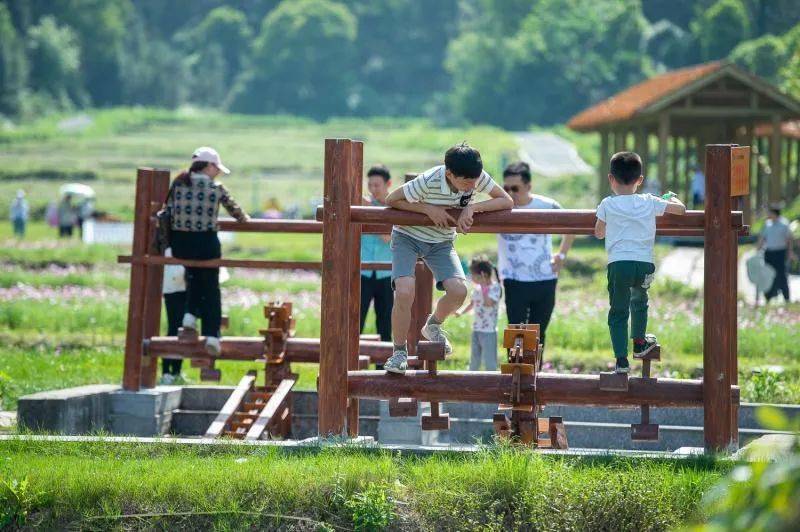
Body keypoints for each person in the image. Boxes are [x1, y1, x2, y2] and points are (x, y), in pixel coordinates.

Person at [383, 142, 513, 374]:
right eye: (465, 183)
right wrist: (427, 209)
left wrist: (472, 208)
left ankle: (433, 325)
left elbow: (505, 200)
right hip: (407, 236)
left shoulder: (475, 176)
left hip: (441, 241)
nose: (470, 187)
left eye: (474, 182)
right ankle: (399, 352)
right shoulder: (429, 179)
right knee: (404, 290)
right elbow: (392, 199)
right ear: (449, 174)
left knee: (459, 291)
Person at [594, 152, 686, 373]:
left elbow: (598, 233)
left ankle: (621, 361)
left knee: (618, 311)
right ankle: (640, 342)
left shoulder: (607, 203)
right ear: (640, 180)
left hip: (618, 264)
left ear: (610, 179)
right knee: (640, 300)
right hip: (644, 263)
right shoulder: (649, 201)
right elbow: (681, 210)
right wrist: (669, 198)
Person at [166, 147, 249, 356]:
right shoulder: (216, 187)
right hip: (206, 246)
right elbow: (239, 214)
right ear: (209, 166)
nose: (218, 172)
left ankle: (190, 316)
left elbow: (167, 211)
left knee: (194, 276)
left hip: (180, 246)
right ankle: (212, 335)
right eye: (217, 168)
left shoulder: (177, 184)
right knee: (211, 288)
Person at [497, 161, 574, 349]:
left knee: (538, 334)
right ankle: (516, 377)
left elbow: (571, 226)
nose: (510, 193)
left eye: (515, 188)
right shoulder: (498, 206)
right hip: (513, 279)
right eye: (506, 188)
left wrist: (561, 256)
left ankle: (534, 376)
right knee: (516, 335)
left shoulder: (547, 205)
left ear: (528, 186)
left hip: (545, 278)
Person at [360, 164, 394, 343]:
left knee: (385, 325)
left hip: (386, 273)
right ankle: (351, 367)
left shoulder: (395, 207)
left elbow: (388, 237)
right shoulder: (362, 205)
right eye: (370, 185)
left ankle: (385, 368)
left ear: (388, 184)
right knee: (355, 323)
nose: (373, 189)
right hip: (362, 271)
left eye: (377, 185)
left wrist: (370, 212)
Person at [456, 255, 502, 371]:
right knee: (474, 360)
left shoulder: (495, 288)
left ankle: (493, 384)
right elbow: (472, 303)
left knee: (490, 362)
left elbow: (488, 303)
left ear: (482, 275)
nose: (471, 277)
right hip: (476, 329)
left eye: (473, 275)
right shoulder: (476, 288)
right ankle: (472, 382)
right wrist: (461, 312)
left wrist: (483, 286)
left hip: (489, 332)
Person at [160, 248, 187, 384]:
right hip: (174, 284)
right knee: (174, 328)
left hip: (183, 283)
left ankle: (175, 370)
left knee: (181, 328)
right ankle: (166, 370)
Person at [758, 207, 794, 302]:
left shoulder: (784, 224)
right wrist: (758, 250)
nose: (768, 215)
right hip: (769, 253)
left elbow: (789, 240)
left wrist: (790, 252)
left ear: (775, 214)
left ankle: (786, 298)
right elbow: (762, 238)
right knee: (768, 275)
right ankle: (768, 298)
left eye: (770, 213)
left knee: (782, 275)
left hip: (780, 253)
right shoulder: (767, 224)